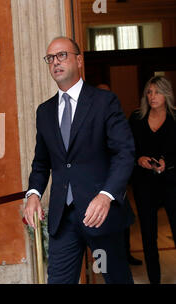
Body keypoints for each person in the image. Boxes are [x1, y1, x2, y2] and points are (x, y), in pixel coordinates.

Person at [23, 36, 135, 284]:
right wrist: (33, 194)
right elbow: (41, 163)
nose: (55, 62)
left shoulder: (104, 102)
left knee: (116, 279)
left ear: (79, 60)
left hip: (100, 215)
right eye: (50, 58)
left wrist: (107, 195)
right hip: (63, 219)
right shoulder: (45, 111)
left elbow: (124, 153)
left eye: (62, 55)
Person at [129, 76, 176, 284]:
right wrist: (139, 159)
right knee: (148, 236)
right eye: (149, 92)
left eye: (157, 92)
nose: (152, 96)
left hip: (172, 183)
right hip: (145, 184)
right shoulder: (137, 118)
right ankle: (154, 280)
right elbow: (127, 148)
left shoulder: (175, 119)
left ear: (167, 94)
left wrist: (167, 161)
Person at [96, 83, 143, 267]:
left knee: (122, 225)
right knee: (100, 231)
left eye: (108, 94)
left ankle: (125, 256)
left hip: (117, 185)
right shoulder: (89, 121)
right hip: (96, 186)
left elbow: (125, 151)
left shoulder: (117, 119)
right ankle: (101, 264)